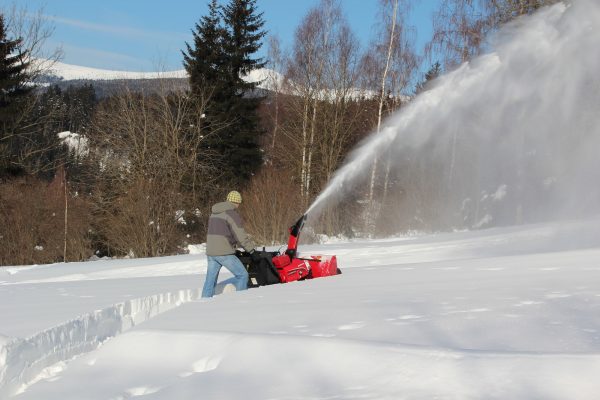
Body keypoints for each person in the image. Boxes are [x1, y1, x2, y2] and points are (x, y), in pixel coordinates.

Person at [202, 190, 256, 298]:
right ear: (237, 202)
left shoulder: (214, 213)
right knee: (242, 275)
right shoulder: (231, 214)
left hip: (211, 252)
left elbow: (221, 232)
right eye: (239, 203)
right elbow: (240, 234)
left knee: (210, 280)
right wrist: (251, 250)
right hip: (224, 252)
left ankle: (204, 301)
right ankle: (241, 300)